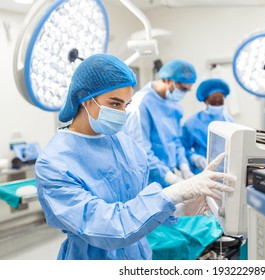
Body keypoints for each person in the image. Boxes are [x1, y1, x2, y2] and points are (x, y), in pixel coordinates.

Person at [35, 54, 236, 260]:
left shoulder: (127, 146)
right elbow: (111, 227)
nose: (122, 113)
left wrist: (179, 207)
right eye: (114, 104)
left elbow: (138, 206)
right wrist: (174, 192)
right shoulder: (54, 163)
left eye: (126, 105)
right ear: (85, 98)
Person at [124, 59, 197, 188]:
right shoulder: (141, 105)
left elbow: (176, 141)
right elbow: (141, 152)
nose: (184, 93)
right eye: (182, 89)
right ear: (168, 80)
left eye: (187, 90)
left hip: (167, 173)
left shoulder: (174, 106)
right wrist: (173, 179)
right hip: (147, 179)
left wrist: (184, 167)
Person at [182, 78, 233, 174]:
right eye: (214, 102)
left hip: (225, 171)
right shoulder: (192, 123)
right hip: (202, 171)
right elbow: (182, 148)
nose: (217, 104)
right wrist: (195, 158)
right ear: (205, 101)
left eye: (220, 101)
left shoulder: (228, 120)